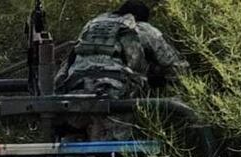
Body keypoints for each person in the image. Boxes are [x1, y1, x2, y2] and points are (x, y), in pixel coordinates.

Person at [57, 1, 188, 140]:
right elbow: (175, 66)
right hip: (115, 99)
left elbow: (66, 67)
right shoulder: (142, 27)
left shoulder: (92, 25)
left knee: (79, 148)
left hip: (75, 96)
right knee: (113, 150)